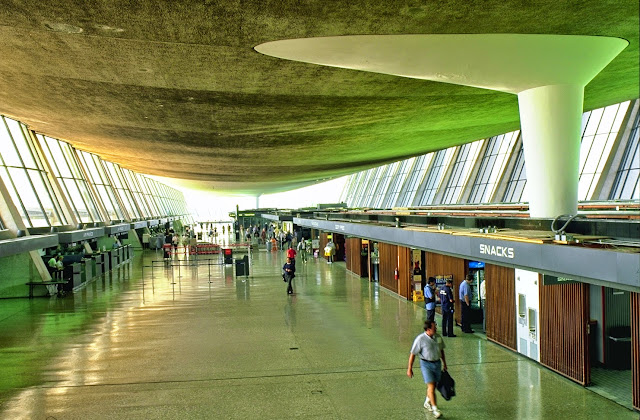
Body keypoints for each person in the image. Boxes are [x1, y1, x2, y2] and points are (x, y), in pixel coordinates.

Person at [407, 320, 447, 418]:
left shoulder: (438, 337)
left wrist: (444, 363)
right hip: (426, 364)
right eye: (434, 327)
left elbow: (441, 350)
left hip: (437, 363)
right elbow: (413, 354)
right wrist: (409, 368)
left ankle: (427, 401)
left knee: (435, 385)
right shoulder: (420, 339)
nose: (436, 328)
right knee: (431, 386)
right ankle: (435, 409)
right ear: (428, 329)